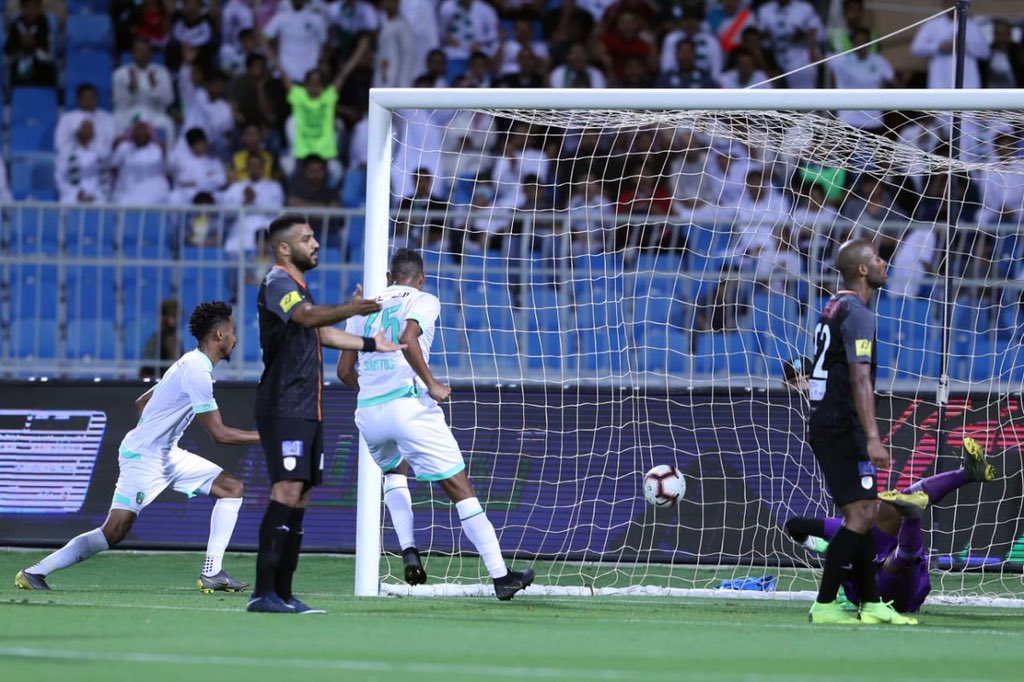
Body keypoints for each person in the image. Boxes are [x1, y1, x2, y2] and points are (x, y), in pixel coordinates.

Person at [16, 302, 258, 593]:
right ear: (219, 334)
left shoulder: (189, 362)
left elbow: (141, 402)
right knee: (114, 532)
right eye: (232, 332)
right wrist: (266, 436)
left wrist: (156, 435)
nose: (236, 338)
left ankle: (212, 572)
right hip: (145, 459)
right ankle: (34, 572)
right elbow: (219, 434)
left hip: (166, 454)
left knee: (231, 487)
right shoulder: (197, 372)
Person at [336, 248, 535, 600]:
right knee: (460, 488)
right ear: (421, 277)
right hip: (409, 405)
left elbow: (343, 372)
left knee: (395, 473)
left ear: (388, 276)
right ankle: (502, 576)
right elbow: (409, 338)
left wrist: (371, 390)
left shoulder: (363, 307)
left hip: (368, 412)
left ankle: (409, 549)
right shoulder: (424, 300)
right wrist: (432, 384)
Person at [249, 214, 406, 614]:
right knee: (285, 490)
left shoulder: (299, 288)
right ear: (284, 248)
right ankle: (262, 593)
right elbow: (307, 319)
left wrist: (372, 343)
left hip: (307, 406)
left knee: (300, 496)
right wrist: (350, 307)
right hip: (284, 404)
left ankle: (284, 594)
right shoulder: (277, 282)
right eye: (306, 238)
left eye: (315, 236)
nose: (316, 243)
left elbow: (319, 332)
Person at [805, 238, 916, 625]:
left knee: (864, 513)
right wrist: (872, 436)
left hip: (828, 420)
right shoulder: (858, 313)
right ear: (863, 270)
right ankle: (824, 604)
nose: (885, 263)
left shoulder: (833, 306)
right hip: (841, 425)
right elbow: (860, 378)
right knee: (860, 515)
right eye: (877, 258)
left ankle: (870, 604)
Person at [786, 437, 997, 614]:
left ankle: (967, 474)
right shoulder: (841, 529)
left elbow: (796, 525)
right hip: (880, 595)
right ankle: (913, 515)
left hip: (907, 580)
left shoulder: (856, 524)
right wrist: (818, 546)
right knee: (891, 562)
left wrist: (823, 546)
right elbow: (795, 525)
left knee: (891, 509)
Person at [140, 298, 183, 380]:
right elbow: (147, 369)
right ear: (164, 317)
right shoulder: (156, 340)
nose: (177, 320)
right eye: (174, 316)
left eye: (179, 316)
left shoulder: (177, 340)